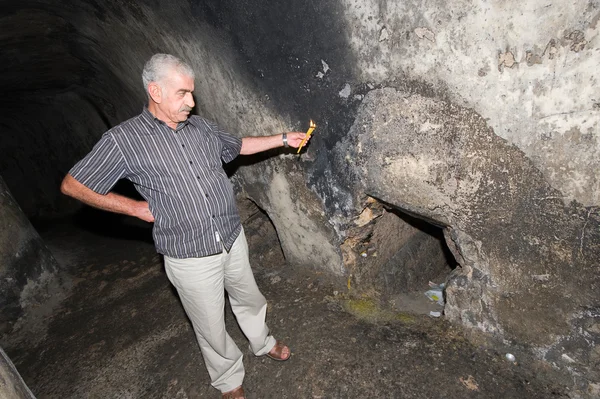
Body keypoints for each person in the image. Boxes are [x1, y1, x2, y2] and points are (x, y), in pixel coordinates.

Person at [60, 53, 310, 399]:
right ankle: (228, 379)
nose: (191, 102)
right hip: (189, 255)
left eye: (192, 93)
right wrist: (132, 207)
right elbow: (73, 184)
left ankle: (262, 342)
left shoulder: (201, 127)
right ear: (155, 91)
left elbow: (238, 146)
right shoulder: (123, 140)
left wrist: (283, 138)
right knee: (209, 325)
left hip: (230, 238)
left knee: (249, 298)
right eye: (182, 94)